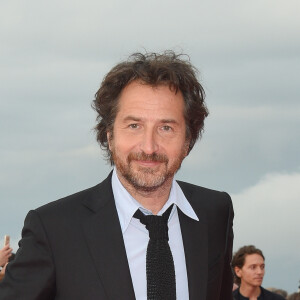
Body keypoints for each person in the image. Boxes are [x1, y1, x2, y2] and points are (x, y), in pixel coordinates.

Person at [0, 51, 234, 300]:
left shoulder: (214, 213)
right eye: (134, 126)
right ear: (109, 136)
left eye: (166, 128)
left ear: (188, 140)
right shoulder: (53, 229)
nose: (149, 147)